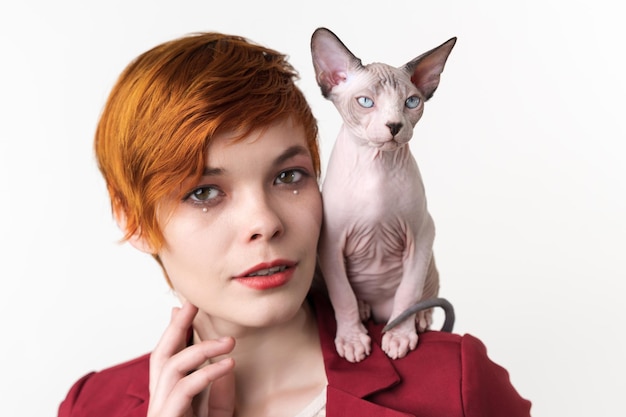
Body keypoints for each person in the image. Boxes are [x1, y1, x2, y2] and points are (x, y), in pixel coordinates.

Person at [58, 31, 532, 417]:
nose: (264, 223)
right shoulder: (91, 406)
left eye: (289, 176)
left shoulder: (457, 386)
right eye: (204, 192)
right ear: (132, 220)